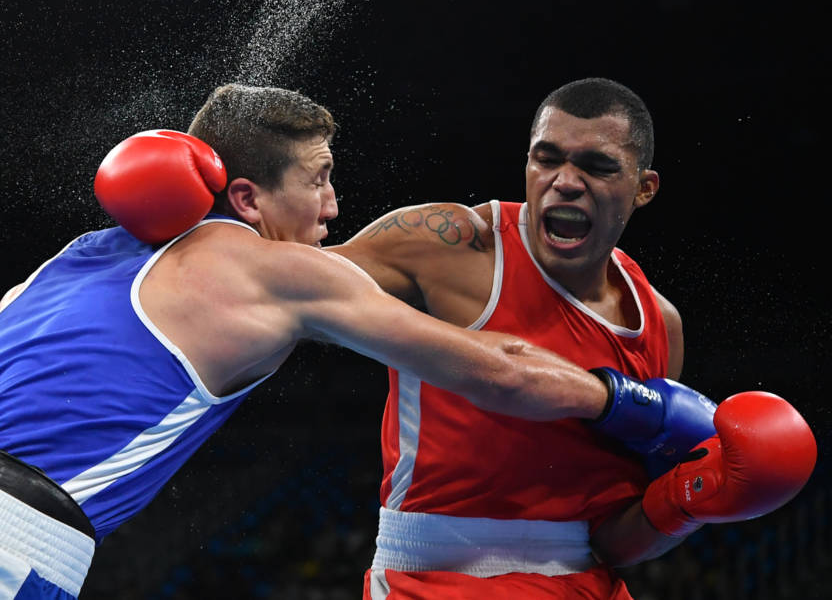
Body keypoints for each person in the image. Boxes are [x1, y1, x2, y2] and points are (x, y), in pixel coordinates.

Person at [0, 83, 717, 599]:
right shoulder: (271, 269)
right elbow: (504, 370)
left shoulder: (60, 265)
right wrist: (640, 402)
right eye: (321, 179)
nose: (335, 205)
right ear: (250, 197)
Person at [330, 77, 817, 599]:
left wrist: (686, 502)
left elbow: (611, 542)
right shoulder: (453, 246)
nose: (564, 181)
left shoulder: (657, 325)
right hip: (435, 579)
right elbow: (292, 285)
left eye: (597, 166)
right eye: (547, 159)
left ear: (644, 188)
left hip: (588, 585)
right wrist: (258, 209)